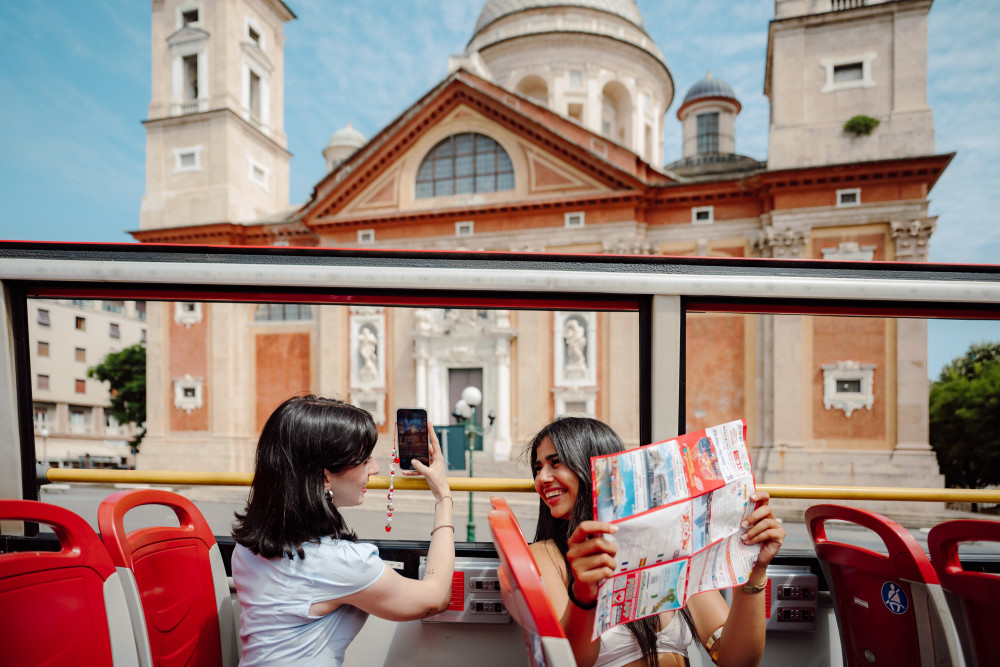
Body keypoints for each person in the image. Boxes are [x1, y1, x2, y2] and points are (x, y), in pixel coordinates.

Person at [526, 417, 785, 667]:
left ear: (594, 468)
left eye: (556, 463)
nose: (542, 479)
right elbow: (571, 662)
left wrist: (754, 572)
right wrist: (584, 595)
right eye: (538, 468)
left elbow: (736, 661)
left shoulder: (672, 543)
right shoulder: (545, 556)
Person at [232, 395, 455, 666]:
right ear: (325, 476)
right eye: (364, 459)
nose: (374, 469)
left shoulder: (246, 547)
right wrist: (443, 496)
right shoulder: (339, 563)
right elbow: (437, 598)